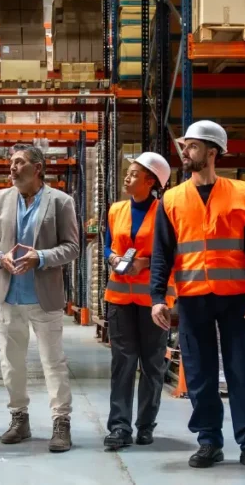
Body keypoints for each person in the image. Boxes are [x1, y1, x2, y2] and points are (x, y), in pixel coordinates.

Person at [149, 121, 245, 472]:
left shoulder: (240, 193)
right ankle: (209, 441)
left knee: (242, 372)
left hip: (237, 298)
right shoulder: (172, 199)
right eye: (185, 146)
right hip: (192, 298)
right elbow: (162, 253)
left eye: (191, 146)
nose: (185, 152)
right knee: (201, 373)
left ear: (211, 151)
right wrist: (158, 297)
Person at [0, 143, 80, 453]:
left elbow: (72, 247)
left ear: (37, 168)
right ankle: (19, 418)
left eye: (19, 162)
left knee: (53, 363)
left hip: (44, 297)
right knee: (11, 363)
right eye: (11, 162)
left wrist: (42, 257)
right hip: (8, 296)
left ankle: (61, 423)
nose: (11, 168)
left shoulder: (61, 202)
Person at [102, 152, 176, 449]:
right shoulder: (116, 209)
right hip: (119, 297)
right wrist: (113, 257)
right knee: (122, 363)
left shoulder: (165, 212)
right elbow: (108, 243)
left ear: (150, 181)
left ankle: (145, 425)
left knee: (152, 364)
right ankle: (119, 427)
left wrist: (144, 263)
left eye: (133, 174)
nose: (127, 177)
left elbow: (173, 252)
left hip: (153, 300)